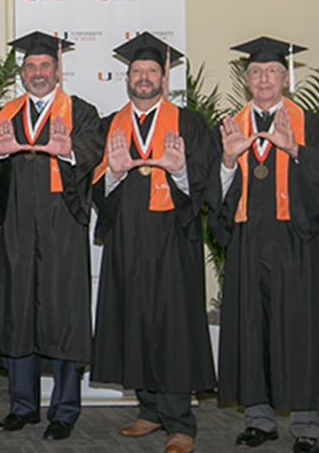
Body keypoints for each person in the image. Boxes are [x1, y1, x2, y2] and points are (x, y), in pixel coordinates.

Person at [91, 33, 216, 453]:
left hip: (172, 241)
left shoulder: (189, 124)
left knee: (173, 328)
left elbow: (204, 183)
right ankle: (148, 410)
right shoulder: (112, 124)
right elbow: (95, 188)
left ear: (164, 79)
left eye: (151, 72)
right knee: (135, 319)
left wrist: (179, 172)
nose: (143, 78)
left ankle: (180, 421)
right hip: (127, 237)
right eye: (136, 71)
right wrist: (115, 172)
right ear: (126, 78)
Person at [0, 31, 102, 441]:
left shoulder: (81, 111)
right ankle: (22, 406)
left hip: (62, 226)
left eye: (45, 66)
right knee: (20, 312)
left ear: (58, 71)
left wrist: (64, 149)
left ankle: (65, 409)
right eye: (31, 66)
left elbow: (92, 151)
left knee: (65, 315)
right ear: (22, 72)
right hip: (18, 224)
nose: (38, 73)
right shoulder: (7, 113)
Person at [209, 36, 319, 453]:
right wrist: (225, 160)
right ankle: (259, 419)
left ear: (286, 77)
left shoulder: (308, 124)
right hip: (247, 243)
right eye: (255, 72)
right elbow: (213, 192)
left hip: (296, 243)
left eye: (272, 71)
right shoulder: (231, 126)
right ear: (246, 79)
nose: (263, 79)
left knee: (299, 330)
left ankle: (306, 425)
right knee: (251, 330)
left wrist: (296, 151)